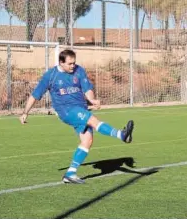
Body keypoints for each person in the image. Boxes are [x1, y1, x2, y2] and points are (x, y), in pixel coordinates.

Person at [20, 49, 134, 184]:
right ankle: (121, 135)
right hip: (66, 110)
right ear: (61, 62)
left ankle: (70, 173)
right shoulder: (50, 76)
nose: (73, 66)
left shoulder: (79, 70)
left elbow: (87, 88)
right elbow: (35, 95)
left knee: (87, 140)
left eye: (74, 63)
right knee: (93, 120)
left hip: (81, 108)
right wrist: (25, 113)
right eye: (69, 64)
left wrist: (92, 100)